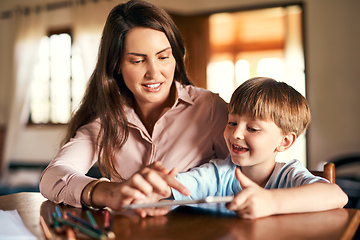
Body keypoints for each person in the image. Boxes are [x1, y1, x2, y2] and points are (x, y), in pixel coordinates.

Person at [39, 0, 229, 215]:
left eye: (163, 57)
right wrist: (110, 192)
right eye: (138, 61)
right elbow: (53, 177)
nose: (154, 72)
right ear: (117, 65)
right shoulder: (106, 119)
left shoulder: (210, 108)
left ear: (175, 56)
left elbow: (243, 173)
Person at [141, 77, 348, 219]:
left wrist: (271, 202)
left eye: (252, 128)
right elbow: (177, 188)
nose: (236, 134)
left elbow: (337, 195)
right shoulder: (218, 173)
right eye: (232, 122)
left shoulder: (290, 176)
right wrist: (160, 188)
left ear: (284, 142)